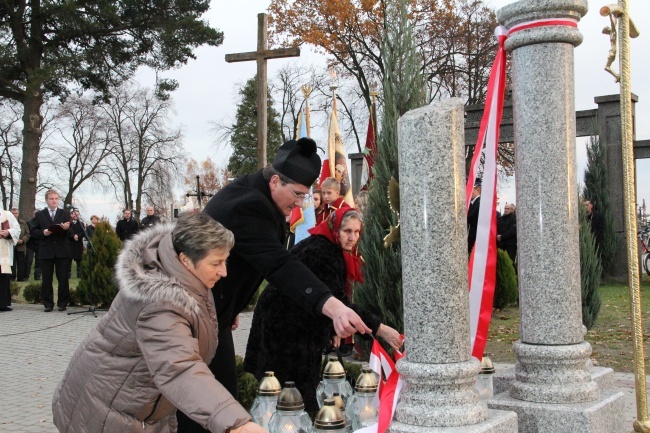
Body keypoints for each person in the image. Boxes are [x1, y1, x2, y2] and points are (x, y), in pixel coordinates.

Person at [178, 138, 371, 433]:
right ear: (276, 181)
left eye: (306, 196)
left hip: (214, 312)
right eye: (296, 194)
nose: (299, 204)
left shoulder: (256, 192)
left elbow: (245, 259)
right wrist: (332, 306)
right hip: (192, 316)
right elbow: (278, 265)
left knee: (218, 398)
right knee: (206, 404)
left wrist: (232, 304)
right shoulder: (250, 205)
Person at [52, 213, 265, 433]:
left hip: (140, 407)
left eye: (225, 260)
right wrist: (237, 424)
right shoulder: (160, 305)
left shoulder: (177, 270)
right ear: (185, 260)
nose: (224, 271)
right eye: (216, 263)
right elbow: (180, 370)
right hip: (105, 414)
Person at [244, 208, 403, 413]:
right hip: (284, 325)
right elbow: (337, 302)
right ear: (335, 229)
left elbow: (326, 297)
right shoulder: (321, 251)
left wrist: (331, 329)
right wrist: (380, 328)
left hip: (296, 321)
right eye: (347, 231)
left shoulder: (327, 246)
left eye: (356, 232)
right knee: (288, 391)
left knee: (292, 388)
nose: (352, 237)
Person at [31, 189, 72, 312]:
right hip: (46, 250)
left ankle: (63, 303)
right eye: (51, 199)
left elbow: (71, 233)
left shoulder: (65, 213)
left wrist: (66, 228)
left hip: (62, 250)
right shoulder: (40, 214)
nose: (54, 201)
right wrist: (43, 232)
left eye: (56, 198)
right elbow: (33, 231)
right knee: (47, 278)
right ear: (46, 200)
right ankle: (48, 303)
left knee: (63, 278)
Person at [0, 208, 20, 311]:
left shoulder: (6, 214)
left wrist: (8, 232)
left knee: (3, 276)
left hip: (3, 251)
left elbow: (17, 229)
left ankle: (2, 304)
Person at [10, 208, 30, 281]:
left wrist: (23, 240)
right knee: (12, 262)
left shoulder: (23, 223)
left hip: (21, 246)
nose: (15, 215)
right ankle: (12, 277)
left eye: (16, 213)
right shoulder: (7, 223)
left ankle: (21, 277)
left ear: (18, 214)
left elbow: (27, 233)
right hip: (11, 244)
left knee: (21, 262)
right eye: (13, 213)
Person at [68, 210, 85, 279]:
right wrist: (73, 236)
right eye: (74, 214)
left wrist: (78, 236)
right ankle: (68, 274)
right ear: (71, 215)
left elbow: (83, 232)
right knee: (68, 260)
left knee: (79, 260)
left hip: (78, 244)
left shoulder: (81, 224)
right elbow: (67, 233)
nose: (76, 216)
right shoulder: (68, 223)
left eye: (77, 214)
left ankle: (79, 274)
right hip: (70, 244)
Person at [25, 210, 42, 280]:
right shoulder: (29, 222)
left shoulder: (42, 223)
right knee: (29, 260)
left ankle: (37, 276)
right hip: (30, 244)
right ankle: (26, 276)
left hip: (40, 244)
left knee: (39, 261)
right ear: (33, 215)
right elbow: (29, 232)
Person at [467, 180, 482, 254]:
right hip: (470, 238)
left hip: (476, 239)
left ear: (478, 190)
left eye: (470, 189)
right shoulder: (470, 204)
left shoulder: (480, 203)